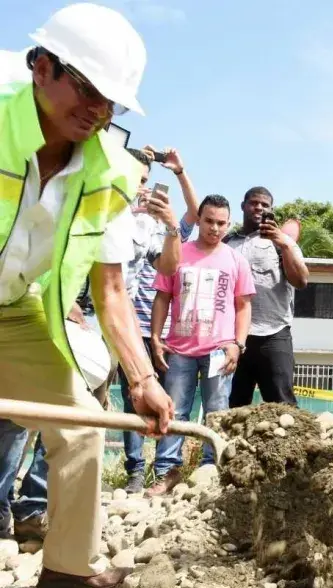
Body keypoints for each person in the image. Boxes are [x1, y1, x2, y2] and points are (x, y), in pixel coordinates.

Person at [0, 4, 174, 586]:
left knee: (82, 425)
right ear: (41, 67)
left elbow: (112, 287)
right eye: (88, 89)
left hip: (15, 313)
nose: (98, 110)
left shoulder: (111, 174)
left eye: (112, 101)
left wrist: (142, 379)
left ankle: (66, 574)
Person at [147, 195, 255, 496]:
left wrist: (238, 344)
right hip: (178, 350)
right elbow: (162, 298)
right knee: (173, 410)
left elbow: (244, 306)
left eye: (221, 223)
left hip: (219, 350)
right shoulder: (178, 253)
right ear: (199, 220)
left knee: (217, 412)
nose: (214, 228)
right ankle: (167, 472)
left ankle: (212, 470)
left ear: (228, 224)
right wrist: (156, 338)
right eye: (209, 221)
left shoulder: (236, 260)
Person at [118, 145, 198, 493]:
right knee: (131, 399)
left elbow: (194, 214)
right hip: (126, 326)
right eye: (137, 181)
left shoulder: (163, 231)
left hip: (166, 334)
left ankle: (165, 469)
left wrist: (179, 171)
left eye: (146, 182)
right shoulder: (115, 219)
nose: (143, 189)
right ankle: (135, 470)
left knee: (171, 400)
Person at [226, 186, 308, 408]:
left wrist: (284, 244)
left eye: (265, 205)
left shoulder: (282, 242)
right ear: (243, 206)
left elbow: (301, 281)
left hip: (274, 335)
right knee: (232, 407)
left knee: (283, 406)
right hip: (234, 338)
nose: (259, 208)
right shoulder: (227, 243)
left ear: (271, 210)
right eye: (254, 203)